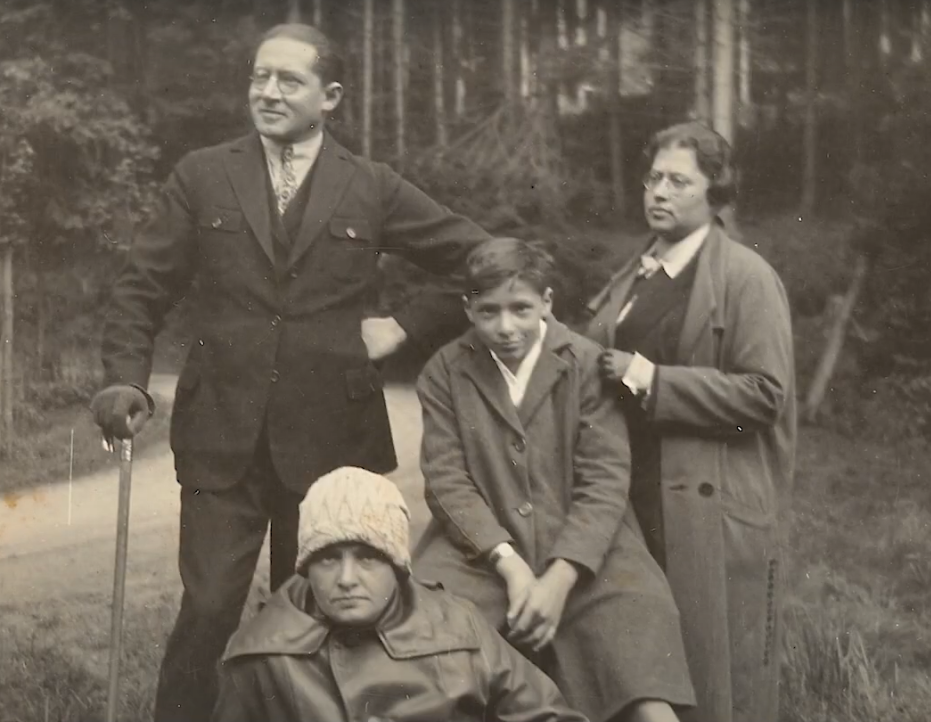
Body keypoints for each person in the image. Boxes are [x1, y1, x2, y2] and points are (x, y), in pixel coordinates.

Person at [89, 23, 489, 722]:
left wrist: (406, 326)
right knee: (209, 608)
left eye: (288, 81)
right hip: (221, 434)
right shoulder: (203, 175)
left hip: (334, 440)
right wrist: (126, 377)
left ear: (329, 97)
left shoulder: (372, 185)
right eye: (259, 77)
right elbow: (139, 288)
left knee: (313, 618)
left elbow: (483, 260)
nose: (267, 93)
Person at [411, 237, 695, 722]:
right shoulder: (445, 371)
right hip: (480, 553)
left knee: (637, 646)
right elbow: (446, 480)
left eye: (521, 309)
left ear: (546, 302)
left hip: (587, 552)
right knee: (428, 639)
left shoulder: (585, 363)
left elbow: (604, 480)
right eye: (489, 311)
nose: (506, 327)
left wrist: (561, 577)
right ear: (468, 309)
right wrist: (511, 566)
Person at [584, 122, 797, 722]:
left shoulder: (746, 277)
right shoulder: (637, 272)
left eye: (679, 181)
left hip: (707, 508)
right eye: (653, 178)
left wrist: (649, 378)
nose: (659, 192)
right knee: (635, 666)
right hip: (631, 496)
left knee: (713, 678)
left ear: (716, 191)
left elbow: (765, 395)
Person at [213, 466, 589, 722]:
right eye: (327, 559)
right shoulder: (261, 655)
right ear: (306, 567)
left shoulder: (458, 629)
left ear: (397, 566)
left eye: (367, 557)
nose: (346, 579)